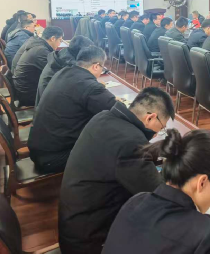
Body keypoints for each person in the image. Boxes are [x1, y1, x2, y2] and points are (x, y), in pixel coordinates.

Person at [102, 129, 210, 255]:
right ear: (202, 182)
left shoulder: (136, 202)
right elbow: (194, 228)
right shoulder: (207, 239)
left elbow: (180, 221)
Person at [59, 88, 175, 254]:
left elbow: (130, 154)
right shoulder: (131, 142)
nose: (157, 134)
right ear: (150, 117)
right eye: (161, 127)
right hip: (91, 242)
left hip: (73, 226)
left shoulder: (103, 117)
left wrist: (159, 156)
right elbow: (158, 194)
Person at [28, 46, 116, 174]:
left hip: (40, 149)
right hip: (54, 158)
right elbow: (116, 110)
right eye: (102, 68)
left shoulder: (63, 72)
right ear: (96, 66)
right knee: (110, 146)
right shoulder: (90, 86)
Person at [12, 26, 64, 107]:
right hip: (28, 94)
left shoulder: (37, 44)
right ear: (53, 38)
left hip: (23, 88)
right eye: (60, 40)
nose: (59, 44)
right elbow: (57, 72)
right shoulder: (41, 51)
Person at [36, 35, 94, 106]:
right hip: (53, 107)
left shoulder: (62, 55)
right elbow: (82, 90)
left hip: (44, 105)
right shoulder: (70, 66)